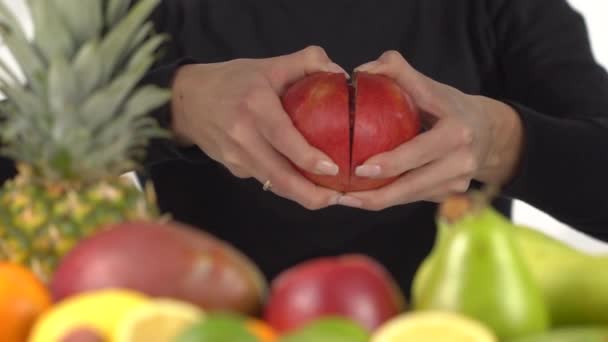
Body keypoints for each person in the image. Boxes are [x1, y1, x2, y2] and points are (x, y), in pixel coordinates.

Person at [142, 0, 608, 295]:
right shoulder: (151, 9)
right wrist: (177, 101)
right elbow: (68, 139)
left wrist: (499, 140)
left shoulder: (501, 8)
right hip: (196, 325)